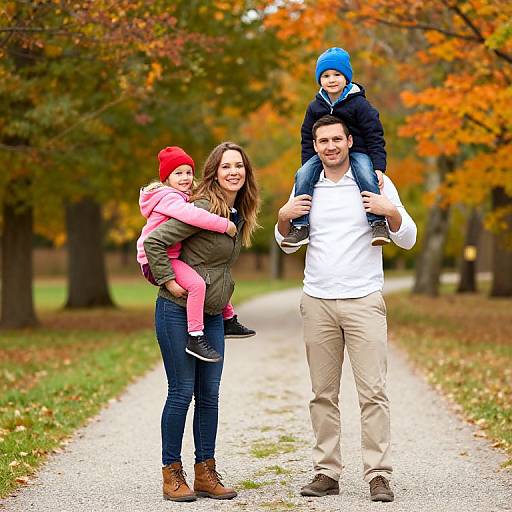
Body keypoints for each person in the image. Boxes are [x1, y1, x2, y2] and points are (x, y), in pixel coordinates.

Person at [275, 115, 417, 502]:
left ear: (350, 140)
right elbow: (288, 243)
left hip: (364, 300)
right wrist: (282, 220)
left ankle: (379, 475)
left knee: (373, 393)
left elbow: (407, 238)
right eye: (323, 141)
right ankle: (326, 472)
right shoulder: (307, 184)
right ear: (315, 146)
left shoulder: (376, 182)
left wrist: (390, 210)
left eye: (337, 139)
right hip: (317, 300)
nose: (330, 146)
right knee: (322, 394)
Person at [144, 141, 259, 502]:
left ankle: (205, 472)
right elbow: (156, 243)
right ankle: (171, 473)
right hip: (176, 311)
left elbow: (216, 267)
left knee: (209, 395)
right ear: (214, 171)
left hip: (210, 315)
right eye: (226, 166)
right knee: (181, 392)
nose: (233, 172)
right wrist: (170, 281)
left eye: (238, 166)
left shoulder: (236, 211)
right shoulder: (202, 207)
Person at [137, 146, 256, 363]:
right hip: (157, 261)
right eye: (178, 173)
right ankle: (195, 337)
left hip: (180, 268)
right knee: (198, 284)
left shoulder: (186, 198)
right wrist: (169, 281)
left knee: (218, 276)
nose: (185, 178)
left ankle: (229, 319)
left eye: (188, 173)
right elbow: (155, 240)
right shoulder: (174, 201)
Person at [281, 47, 391, 248]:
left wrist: (378, 166)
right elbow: (307, 137)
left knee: (366, 175)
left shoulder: (359, 104)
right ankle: (300, 227)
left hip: (358, 151)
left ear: (346, 78)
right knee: (303, 174)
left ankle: (378, 223)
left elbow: (374, 134)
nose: (331, 79)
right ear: (320, 80)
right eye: (326, 75)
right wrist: (310, 165)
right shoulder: (315, 106)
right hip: (325, 154)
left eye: (337, 74)